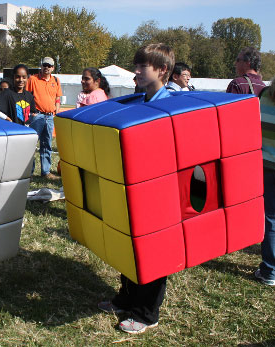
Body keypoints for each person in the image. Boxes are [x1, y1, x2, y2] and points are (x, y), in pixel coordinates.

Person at [98, 43, 175, 334]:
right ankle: (126, 297)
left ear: (163, 69)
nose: (137, 71)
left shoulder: (174, 106)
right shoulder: (136, 101)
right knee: (129, 243)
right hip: (133, 187)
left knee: (155, 250)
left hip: (160, 190)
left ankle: (146, 312)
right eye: (137, 65)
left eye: (143, 66)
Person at [26, 57, 62, 180]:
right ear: (41, 65)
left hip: (50, 116)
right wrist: (31, 112)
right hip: (37, 116)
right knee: (31, 144)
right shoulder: (33, 79)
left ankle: (45, 172)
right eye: (45, 65)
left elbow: (58, 98)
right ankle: (28, 172)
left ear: (53, 68)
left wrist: (56, 110)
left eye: (49, 66)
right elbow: (27, 96)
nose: (46, 67)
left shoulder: (56, 80)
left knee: (47, 145)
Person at [256, 77, 275, 286]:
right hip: (265, 165)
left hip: (266, 164)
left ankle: (270, 270)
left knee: (270, 217)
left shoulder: (264, 96)